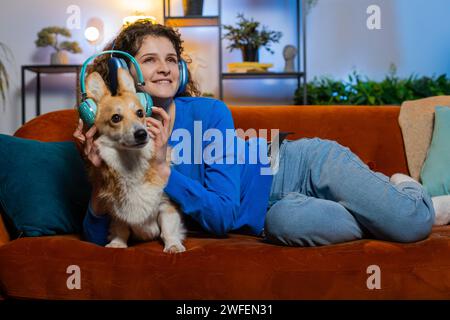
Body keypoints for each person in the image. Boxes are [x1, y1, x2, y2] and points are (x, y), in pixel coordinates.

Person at [73, 20, 449, 248]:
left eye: (171, 59)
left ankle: (407, 192)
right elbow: (97, 238)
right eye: (150, 59)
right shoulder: (118, 138)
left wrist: (164, 168)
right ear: (127, 73)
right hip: (274, 215)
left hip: (300, 166)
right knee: (288, 223)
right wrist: (98, 183)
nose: (165, 68)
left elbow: (222, 214)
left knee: (410, 223)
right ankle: (381, 204)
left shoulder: (210, 113)